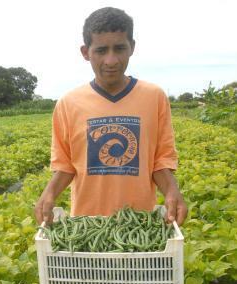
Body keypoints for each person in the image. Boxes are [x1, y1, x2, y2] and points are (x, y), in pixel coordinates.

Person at [34, 7, 188, 226]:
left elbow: (160, 161)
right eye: (101, 50)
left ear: (132, 48)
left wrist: (173, 192)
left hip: (140, 221)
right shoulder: (69, 103)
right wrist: (48, 195)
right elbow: (65, 165)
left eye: (119, 48)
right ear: (86, 52)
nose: (111, 60)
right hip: (87, 225)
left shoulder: (154, 97)